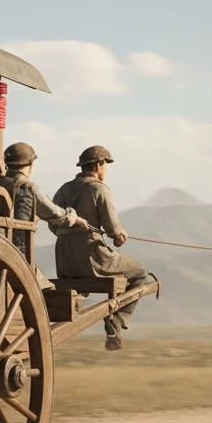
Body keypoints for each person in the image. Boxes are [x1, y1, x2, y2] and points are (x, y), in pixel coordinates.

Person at [53, 146, 151, 351]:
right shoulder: (100, 189)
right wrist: (119, 234)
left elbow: (53, 224)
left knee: (78, 283)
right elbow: (113, 229)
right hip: (92, 259)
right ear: (98, 165)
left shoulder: (63, 189)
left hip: (63, 263)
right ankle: (117, 320)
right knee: (141, 275)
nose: (105, 170)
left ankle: (75, 302)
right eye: (105, 165)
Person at [1, 142, 88, 289]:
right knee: (50, 290)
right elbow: (55, 213)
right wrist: (75, 217)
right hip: (18, 253)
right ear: (31, 164)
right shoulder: (27, 188)